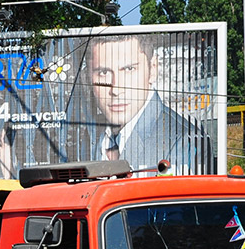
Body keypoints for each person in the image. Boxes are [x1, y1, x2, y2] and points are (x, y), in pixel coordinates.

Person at [87, 34, 215, 176]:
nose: (116, 90)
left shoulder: (186, 141)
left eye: (129, 69)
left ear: (153, 68)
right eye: (103, 73)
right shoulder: (86, 137)